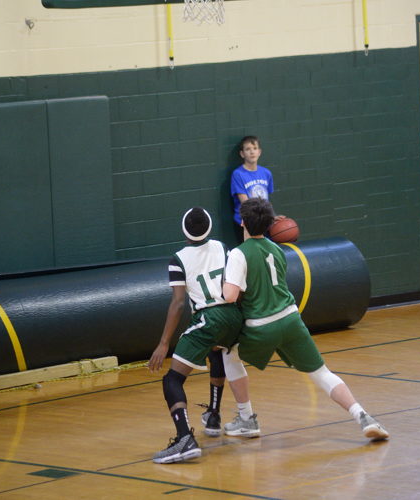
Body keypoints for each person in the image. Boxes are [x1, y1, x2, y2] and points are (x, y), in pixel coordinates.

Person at [221, 197, 390, 442]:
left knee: (229, 356)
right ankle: (364, 416)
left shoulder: (238, 254)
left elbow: (230, 296)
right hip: (291, 318)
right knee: (321, 373)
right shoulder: (277, 249)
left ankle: (247, 419)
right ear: (269, 224)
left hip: (262, 325)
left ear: (242, 222)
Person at [148, 207, 256, 464]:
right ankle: (215, 416)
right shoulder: (222, 247)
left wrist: (163, 343)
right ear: (209, 227)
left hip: (209, 317)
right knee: (216, 351)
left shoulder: (177, 259)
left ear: (184, 230)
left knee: (172, 380)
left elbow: (178, 303)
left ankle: (184, 438)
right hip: (233, 314)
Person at [230, 135, 274, 241]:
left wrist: (272, 216)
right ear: (242, 154)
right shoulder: (238, 174)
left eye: (255, 148)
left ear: (259, 152)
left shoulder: (266, 173)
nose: (252, 152)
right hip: (246, 223)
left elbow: (266, 201)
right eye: (248, 149)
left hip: (263, 222)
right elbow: (246, 204)